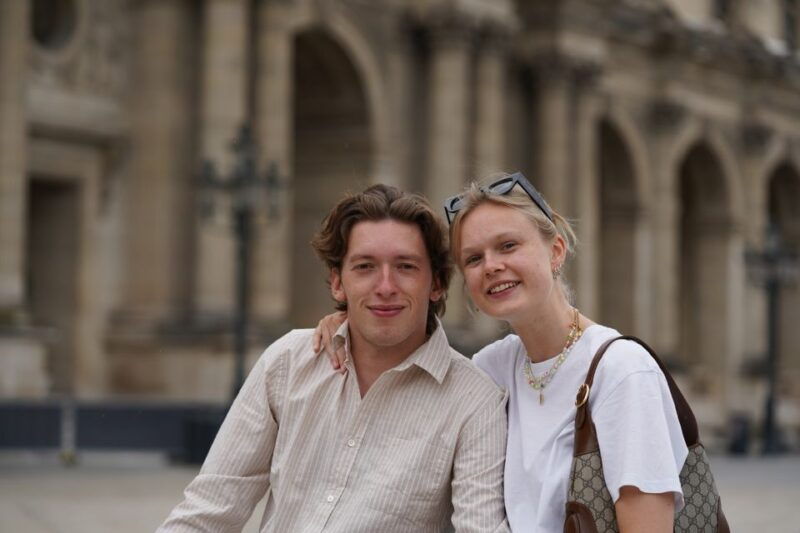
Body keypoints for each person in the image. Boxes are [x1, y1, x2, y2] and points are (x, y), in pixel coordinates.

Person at [314, 173, 688, 533]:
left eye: (508, 246)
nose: (491, 266)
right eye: (474, 259)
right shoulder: (491, 368)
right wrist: (349, 324)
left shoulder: (622, 371)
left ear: (556, 250)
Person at [158, 184, 510, 533]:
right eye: (365, 266)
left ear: (436, 285)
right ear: (338, 283)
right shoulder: (288, 362)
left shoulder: (474, 401)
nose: (385, 286)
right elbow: (208, 512)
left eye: (405, 267)